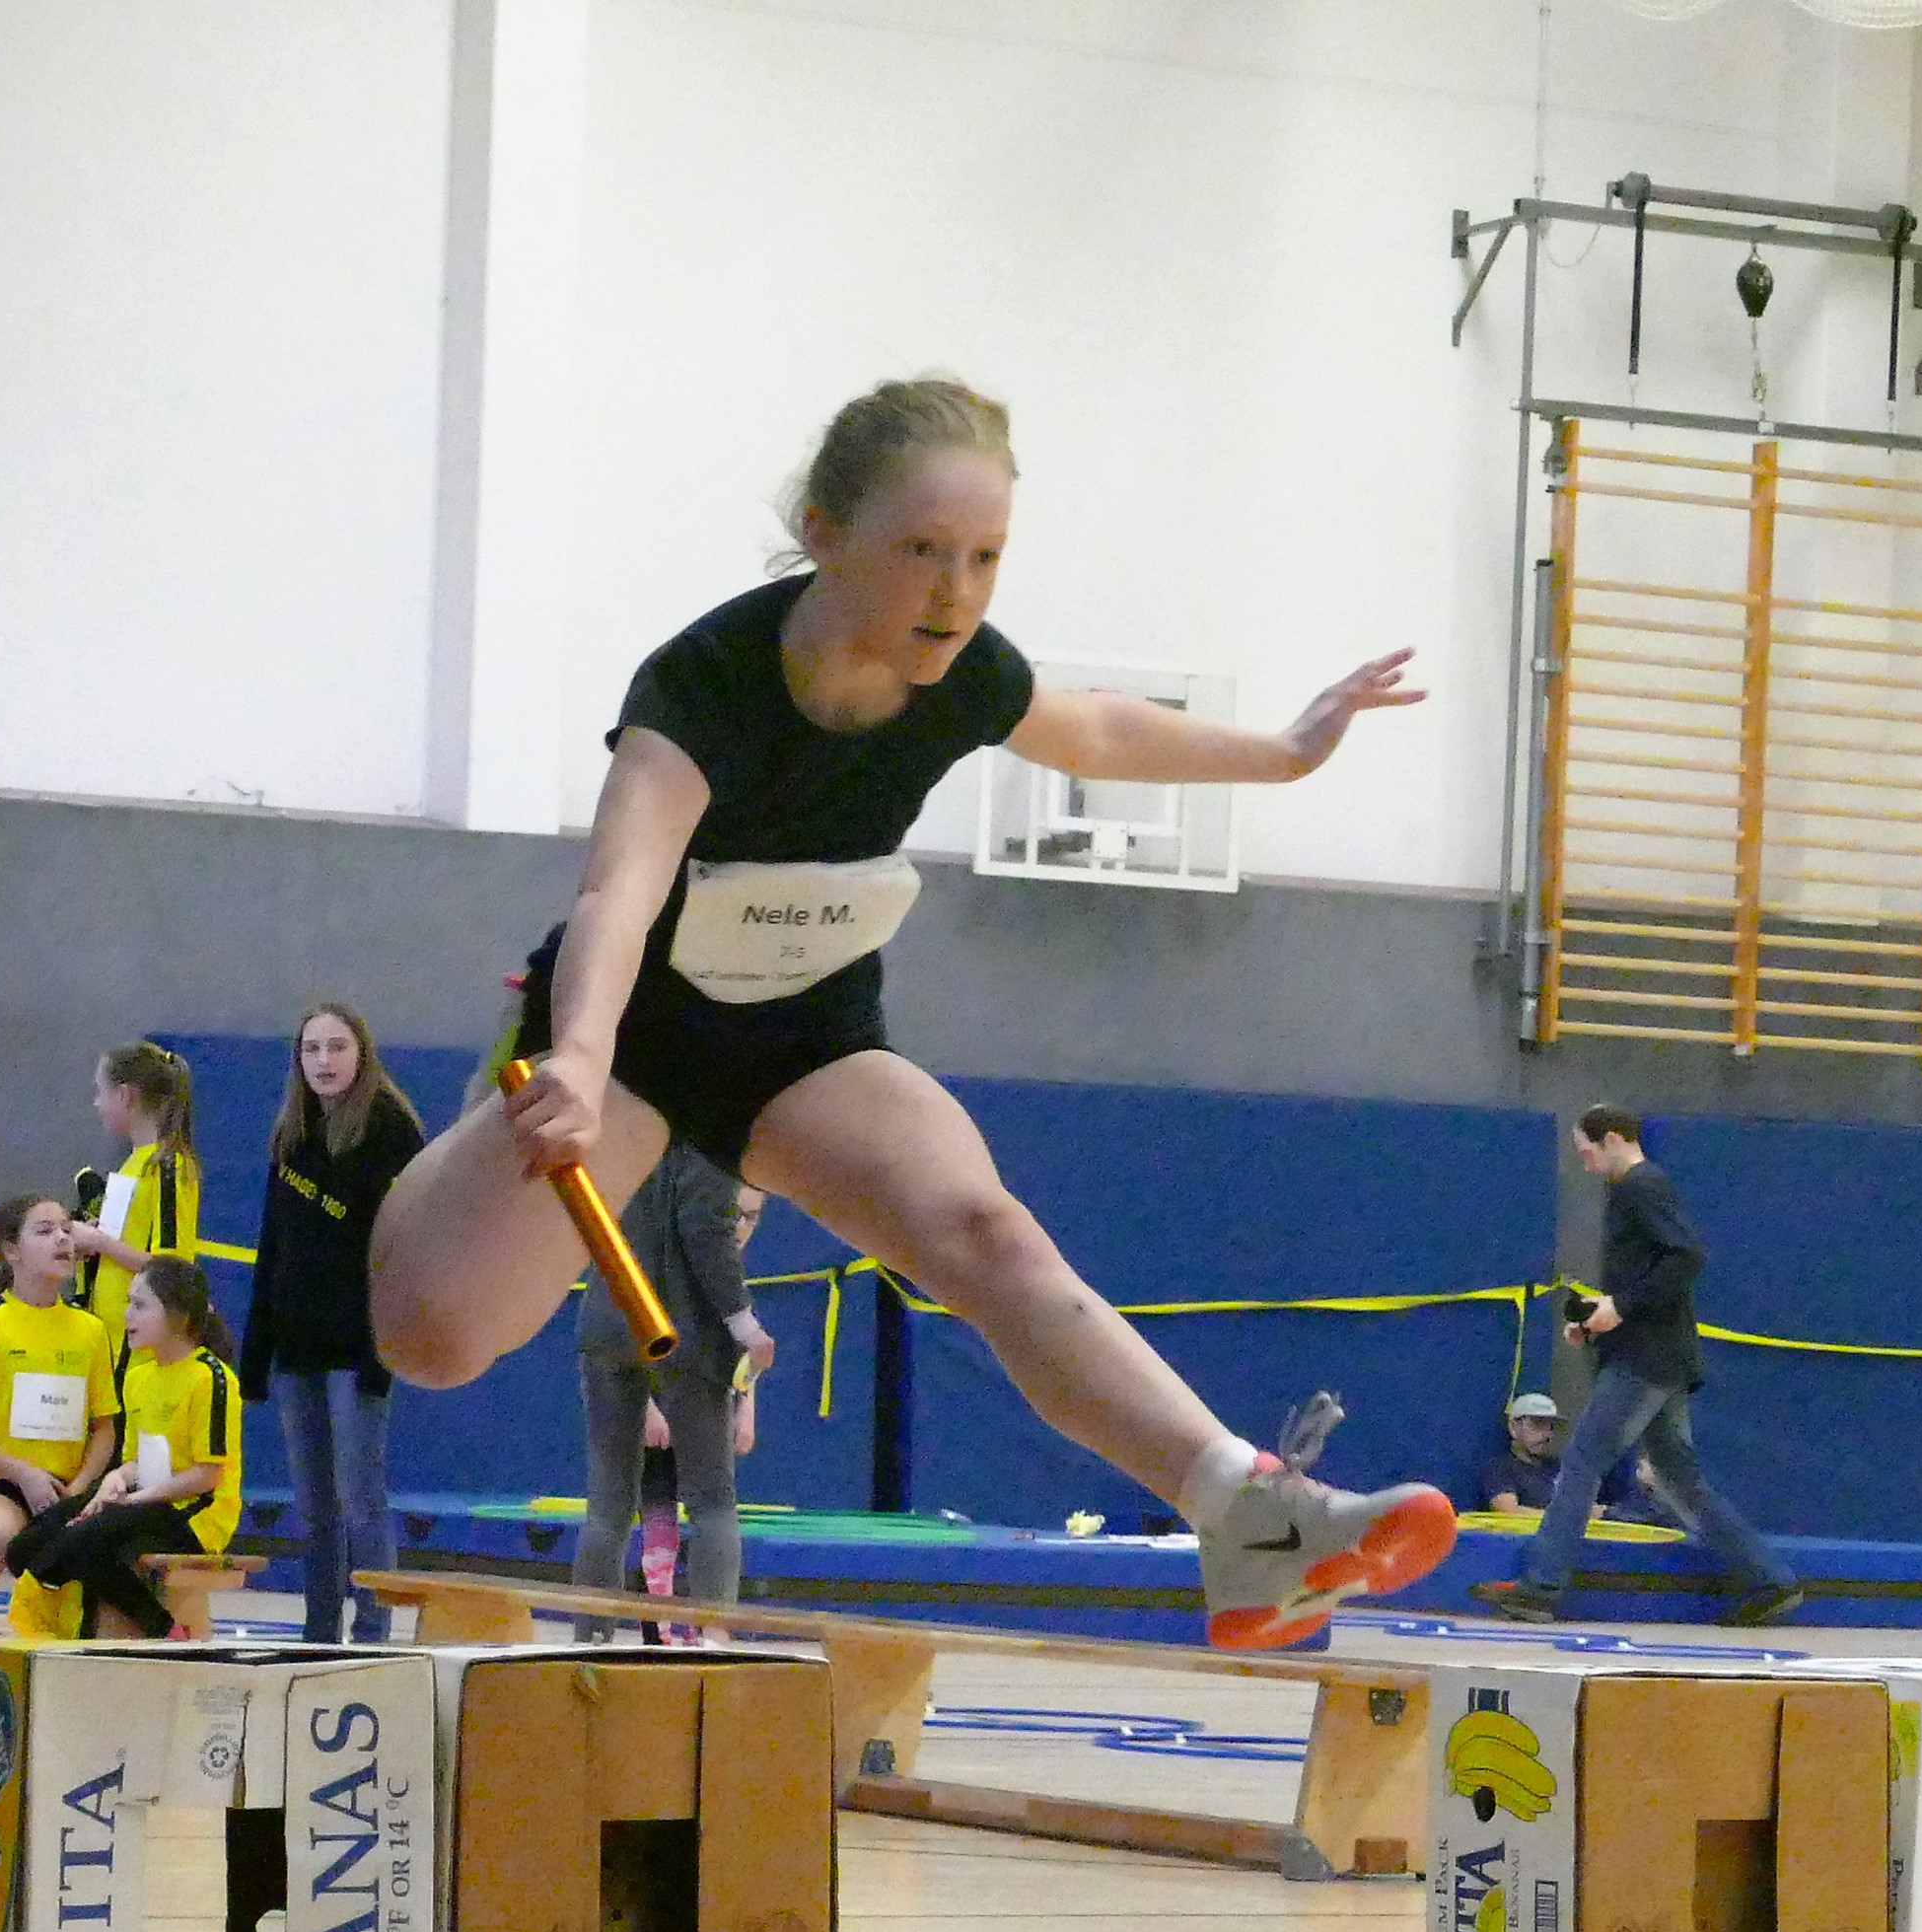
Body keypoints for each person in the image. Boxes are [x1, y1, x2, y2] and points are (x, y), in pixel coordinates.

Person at [367, 375, 1453, 1652]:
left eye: (984, 558)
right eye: (922, 551)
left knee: (985, 1232)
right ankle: (426, 1172)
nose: (955, 591)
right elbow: (620, 886)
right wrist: (582, 1056)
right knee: (433, 1337)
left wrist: (1286, 751)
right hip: (634, 1042)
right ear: (824, 533)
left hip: (805, 1039)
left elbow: (1097, 733)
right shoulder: (705, 682)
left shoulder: (963, 675)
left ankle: (1250, 1518)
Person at [1473, 1109, 1802, 1627]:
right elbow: (1653, 1278)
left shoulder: (1640, 1187)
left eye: (1586, 1153)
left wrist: (1620, 1308)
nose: (1585, 1166)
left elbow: (1686, 1257)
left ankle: (1541, 1587)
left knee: (1581, 1464)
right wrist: (1598, 1318)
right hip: (1661, 1356)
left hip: (1644, 1361)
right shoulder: (1640, 1188)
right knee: (1680, 1480)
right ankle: (1769, 1581)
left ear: (1611, 1140)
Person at [240, 1004, 428, 1643]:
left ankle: (373, 1631)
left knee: (359, 1498)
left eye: (337, 1047)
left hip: (357, 1346)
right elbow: (274, 1243)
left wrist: (385, 1350)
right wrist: (256, 1352)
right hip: (297, 1345)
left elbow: (404, 1250)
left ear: (362, 1052)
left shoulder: (390, 1129)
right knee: (313, 1506)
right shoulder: (291, 1131)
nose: (323, 1061)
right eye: (312, 1049)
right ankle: (319, 1631)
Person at [570, 1146, 774, 1639]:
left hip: (609, 1320)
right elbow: (706, 1233)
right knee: (712, 1503)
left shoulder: (629, 1130)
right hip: (681, 1331)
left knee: (608, 1506)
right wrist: (745, 1325)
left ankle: (590, 1641)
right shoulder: (710, 1143)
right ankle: (712, 1642)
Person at [8, 1256, 243, 1640]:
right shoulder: (137, 1378)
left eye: (140, 1305)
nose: (126, 1314)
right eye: (128, 1303)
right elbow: (134, 1460)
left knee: (77, 1544)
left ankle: (163, 1630)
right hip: (144, 1503)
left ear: (179, 1316)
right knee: (26, 1546)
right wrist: (112, 1483)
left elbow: (207, 1476)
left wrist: (133, 1501)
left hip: (194, 1515)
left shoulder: (212, 1378)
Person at [0, 1194, 122, 1640]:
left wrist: (79, 1488)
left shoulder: (91, 1330)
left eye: (66, 1230)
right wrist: (22, 1473)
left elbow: (104, 1428)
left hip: (72, 1486)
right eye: (45, 1231)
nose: (62, 1239)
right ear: (11, 1250)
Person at [70, 1041, 200, 1343]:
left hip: (140, 1342)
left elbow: (172, 1268)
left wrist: (99, 1241)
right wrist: (92, 1242)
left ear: (124, 1095)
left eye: (100, 1092)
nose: (96, 1103)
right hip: (111, 1329)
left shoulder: (168, 1164)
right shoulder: (133, 1162)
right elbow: (126, 1244)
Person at [1477, 1393, 1563, 1513]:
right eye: (1538, 1424)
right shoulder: (1501, 1469)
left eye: (1551, 1426)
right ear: (1514, 1427)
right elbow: (1508, 1511)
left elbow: (1583, 1506)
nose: (1547, 1434)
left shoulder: (1558, 1468)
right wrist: (1563, 1517)